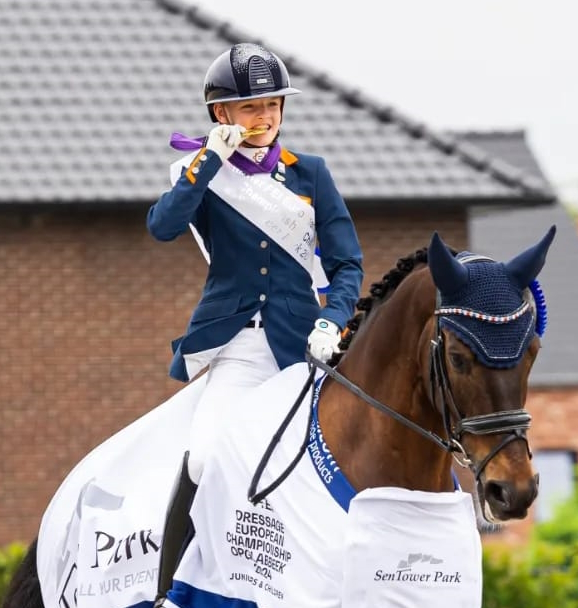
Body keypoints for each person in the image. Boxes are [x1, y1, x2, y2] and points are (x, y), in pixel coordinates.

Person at [147, 42, 363, 601]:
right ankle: (171, 587)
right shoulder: (201, 173)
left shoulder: (310, 173)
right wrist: (208, 161)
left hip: (303, 346)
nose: (264, 117)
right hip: (239, 348)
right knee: (204, 456)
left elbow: (347, 265)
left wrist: (333, 321)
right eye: (250, 108)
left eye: (272, 105)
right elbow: (163, 226)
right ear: (221, 115)